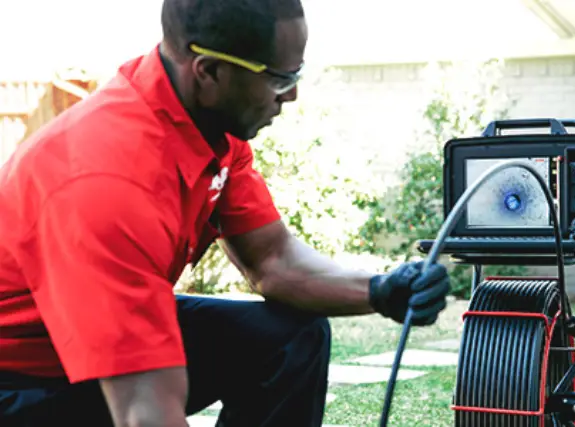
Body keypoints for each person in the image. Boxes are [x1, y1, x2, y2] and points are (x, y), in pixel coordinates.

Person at [0, 0, 451, 426]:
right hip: (25, 382)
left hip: (81, 346)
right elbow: (146, 408)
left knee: (291, 338)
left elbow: (273, 261)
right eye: (279, 78)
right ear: (210, 72)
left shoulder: (212, 127)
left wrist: (379, 290)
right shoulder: (107, 180)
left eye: (297, 73)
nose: (291, 95)